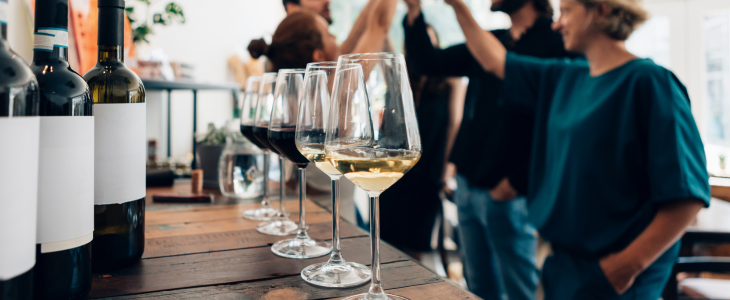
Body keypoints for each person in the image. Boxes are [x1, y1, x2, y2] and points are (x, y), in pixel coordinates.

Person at [444, 0, 710, 298]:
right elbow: (495, 61)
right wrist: (457, 6)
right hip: (564, 266)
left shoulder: (650, 82)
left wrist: (625, 266)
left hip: (617, 274)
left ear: (601, 10)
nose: (557, 24)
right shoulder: (565, 77)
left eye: (566, 11)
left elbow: (687, 198)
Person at [403, 0, 578, 299]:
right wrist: (414, 12)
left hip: (510, 193)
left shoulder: (557, 42)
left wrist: (517, 182)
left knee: (519, 290)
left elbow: (559, 130)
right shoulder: (494, 39)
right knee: (478, 289)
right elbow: (428, 62)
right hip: (469, 187)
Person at [378, 25, 467, 257]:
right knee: (386, 239)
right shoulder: (400, 75)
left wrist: (448, 168)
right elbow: (382, 39)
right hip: (393, 170)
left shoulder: (450, 79)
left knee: (416, 244)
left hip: (429, 171)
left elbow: (455, 123)